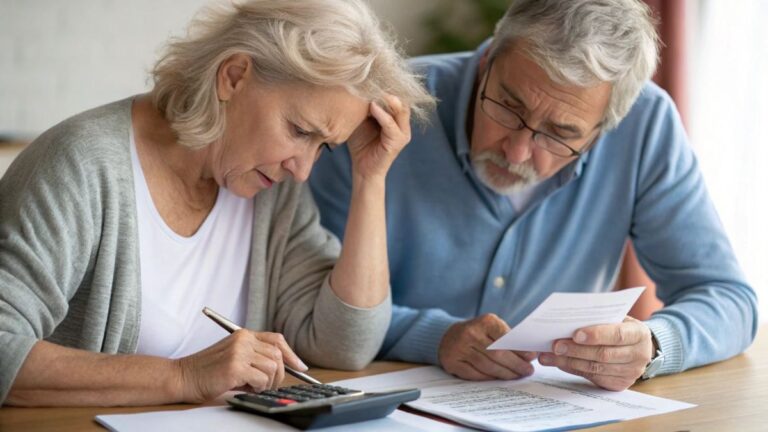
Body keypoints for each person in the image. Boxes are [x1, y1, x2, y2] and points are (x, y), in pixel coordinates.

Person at [0, 0, 434, 406]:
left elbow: (346, 346)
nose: (303, 170)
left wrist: (370, 178)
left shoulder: (274, 194)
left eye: (325, 146)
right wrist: (182, 377)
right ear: (233, 76)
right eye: (300, 131)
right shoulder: (82, 163)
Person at [310, 0, 758, 391]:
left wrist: (655, 344)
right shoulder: (382, 112)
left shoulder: (645, 124)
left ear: (604, 129)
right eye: (508, 107)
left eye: (561, 135)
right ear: (487, 61)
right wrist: (435, 337)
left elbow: (728, 299)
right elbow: (308, 301)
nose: (519, 150)